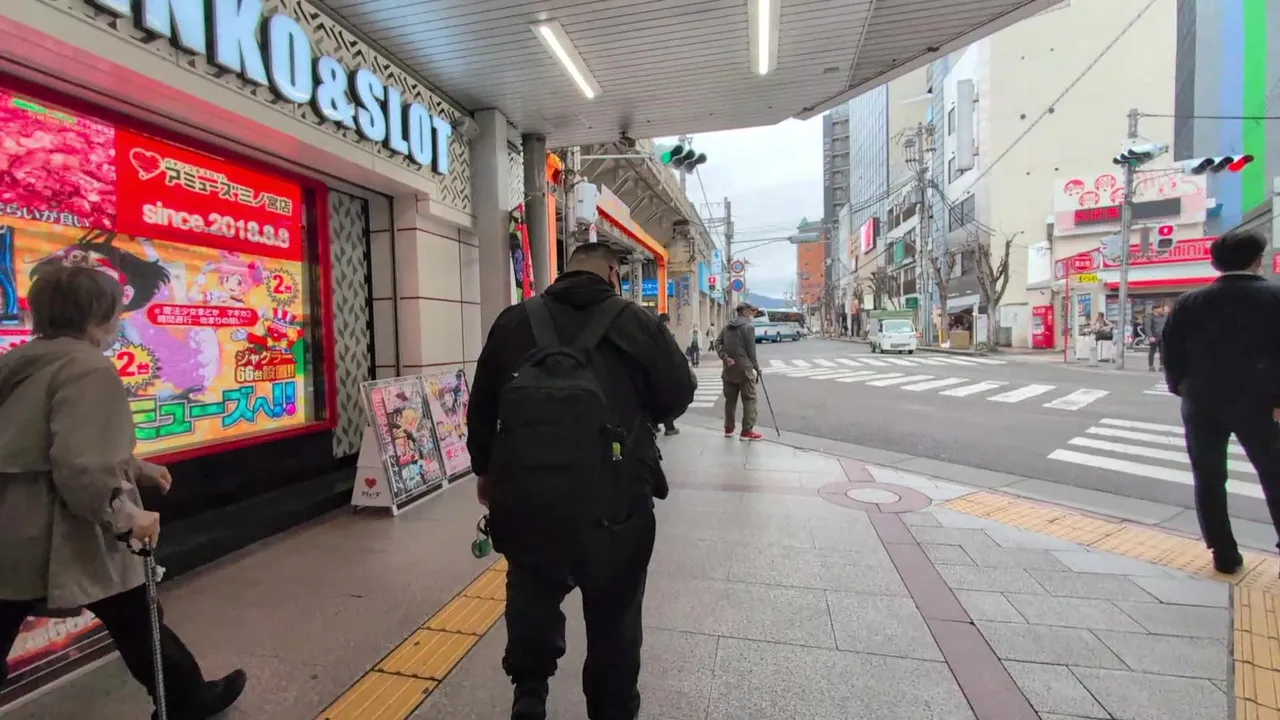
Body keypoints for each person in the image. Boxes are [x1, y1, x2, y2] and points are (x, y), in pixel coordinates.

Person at [0, 266, 245, 719]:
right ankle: (186, 699)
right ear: (98, 318)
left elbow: (38, 442)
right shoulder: (88, 368)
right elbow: (82, 464)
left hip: (12, 525)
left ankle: (187, 695)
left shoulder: (21, 362)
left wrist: (135, 467)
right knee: (135, 615)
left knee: (128, 615)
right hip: (66, 527)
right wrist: (125, 513)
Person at [466, 242, 694, 720]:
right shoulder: (637, 323)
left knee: (531, 588)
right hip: (616, 503)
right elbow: (678, 393)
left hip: (527, 498)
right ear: (612, 274)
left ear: (566, 272)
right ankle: (611, 707)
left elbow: (482, 407)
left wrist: (486, 474)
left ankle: (530, 691)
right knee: (615, 614)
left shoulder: (515, 321)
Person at [1161, 230, 1280, 574]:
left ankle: (1223, 553)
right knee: (1274, 474)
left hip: (1202, 401)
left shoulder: (1190, 302)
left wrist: (1182, 387)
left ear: (1216, 264)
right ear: (1257, 260)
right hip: (1262, 401)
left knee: (1209, 477)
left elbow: (1171, 350)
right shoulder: (1274, 298)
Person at [715, 302, 763, 441]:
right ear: (745, 312)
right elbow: (751, 352)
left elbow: (717, 343)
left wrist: (725, 357)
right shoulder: (748, 327)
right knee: (749, 400)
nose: (753, 314)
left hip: (729, 369)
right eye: (752, 311)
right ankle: (746, 432)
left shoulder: (727, 327)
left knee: (730, 401)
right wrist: (757, 368)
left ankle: (729, 429)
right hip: (744, 370)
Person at [655, 312, 681, 436]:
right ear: (666, 322)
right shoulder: (665, 334)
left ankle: (654, 425)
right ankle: (669, 427)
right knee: (667, 400)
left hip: (652, 371)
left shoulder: (651, 332)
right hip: (664, 371)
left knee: (654, 399)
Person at [1144, 304, 1168, 371]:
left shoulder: (1164, 316)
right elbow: (1147, 327)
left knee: (1163, 352)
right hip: (1154, 337)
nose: (1161, 310)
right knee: (1152, 351)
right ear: (1154, 309)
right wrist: (1150, 336)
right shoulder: (1149, 317)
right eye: (1159, 308)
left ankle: (1162, 366)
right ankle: (1151, 366)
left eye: (1162, 308)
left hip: (1163, 337)